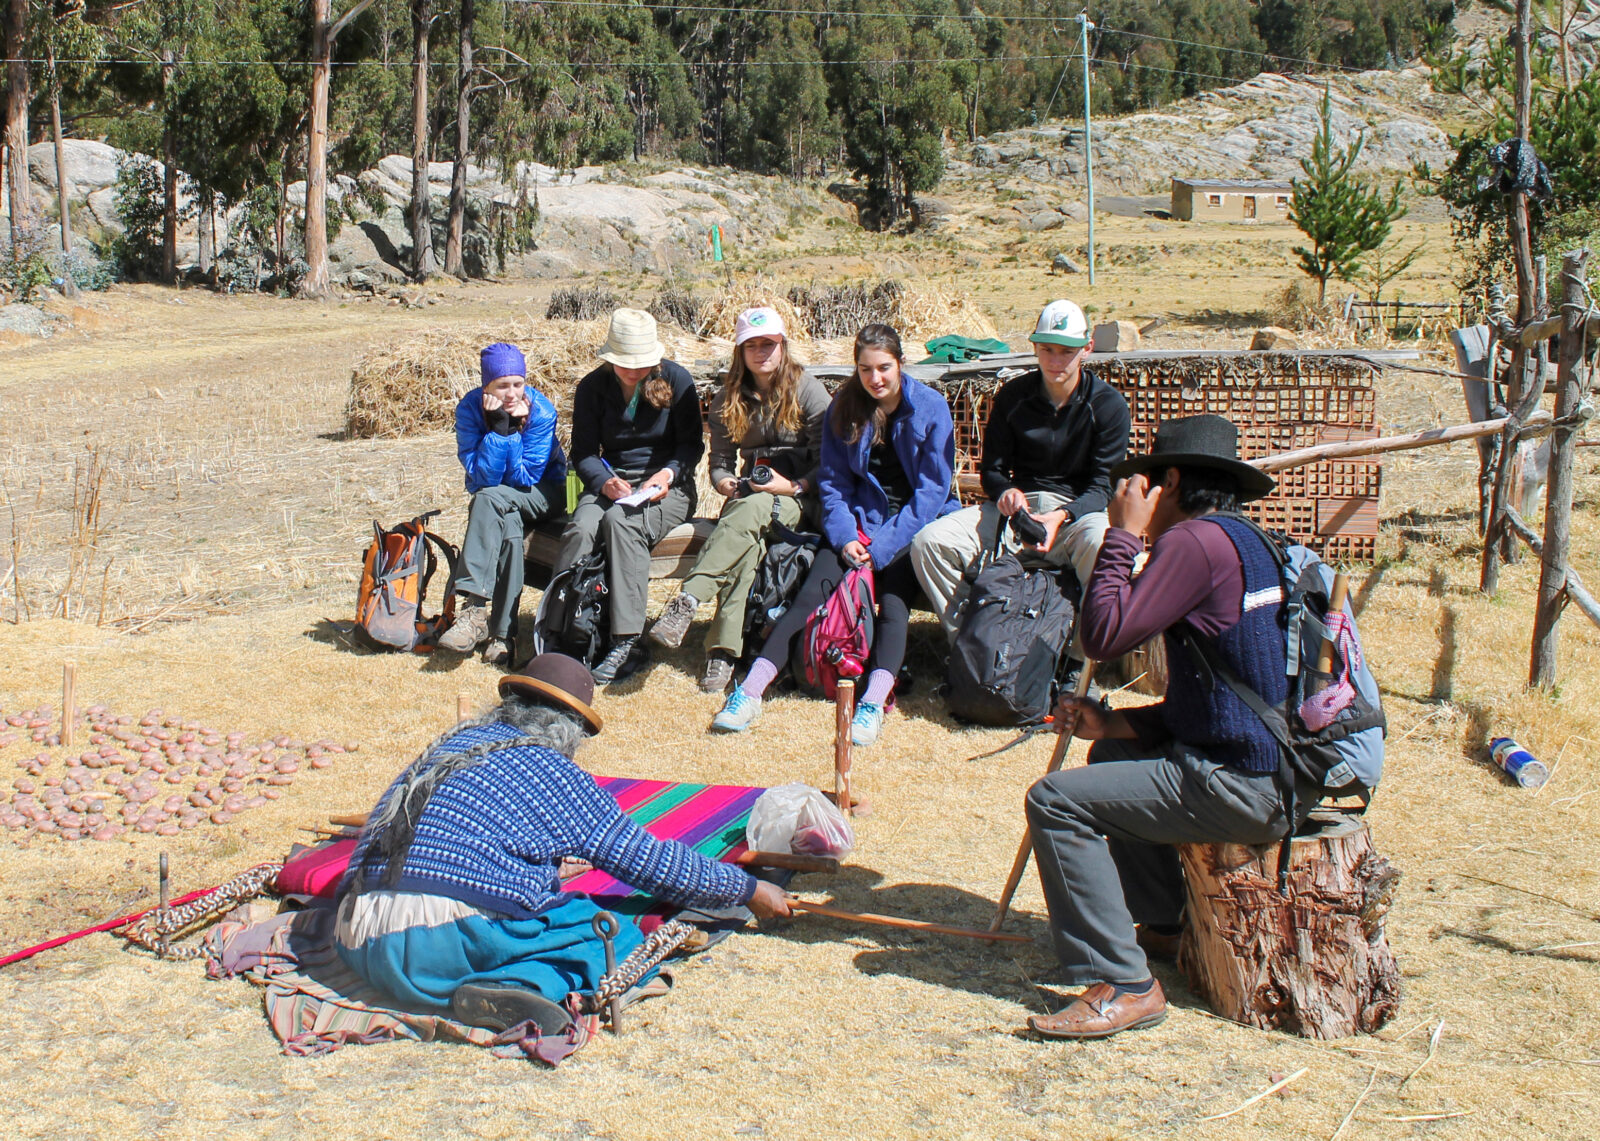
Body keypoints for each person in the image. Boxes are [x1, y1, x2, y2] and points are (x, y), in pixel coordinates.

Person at [1021, 414, 1333, 1040]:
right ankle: (1163, 926)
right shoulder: (1245, 541)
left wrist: (1122, 537)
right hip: (1269, 772)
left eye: (1139, 482)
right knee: (1109, 767)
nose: (1128, 492)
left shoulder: (1192, 545)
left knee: (1053, 804)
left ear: (1167, 482)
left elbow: (1101, 635)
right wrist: (1115, 726)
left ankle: (1126, 985)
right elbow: (1226, 695)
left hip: (1241, 784)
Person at [335, 652, 792, 1036]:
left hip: (357, 938)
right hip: (442, 944)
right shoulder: (553, 773)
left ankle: (492, 982)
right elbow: (652, 862)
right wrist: (748, 889)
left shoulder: (451, 744)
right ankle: (524, 985)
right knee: (602, 929)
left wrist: (538, 872)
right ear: (571, 728)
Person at [711, 324, 959, 747]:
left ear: (900, 364)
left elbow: (932, 491)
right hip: (856, 520)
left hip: (906, 526)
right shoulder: (845, 408)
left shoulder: (930, 407)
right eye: (865, 369)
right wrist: (845, 536)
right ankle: (750, 691)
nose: (875, 378)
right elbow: (832, 483)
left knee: (894, 603)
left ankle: (872, 702)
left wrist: (880, 549)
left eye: (884, 368)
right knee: (811, 595)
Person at [910, 299, 1128, 643]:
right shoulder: (1013, 396)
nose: (1056, 360)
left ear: (1086, 349)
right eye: (1048, 350)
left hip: (1076, 516)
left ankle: (1079, 659)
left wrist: (1063, 516)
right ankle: (974, 645)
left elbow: (1104, 486)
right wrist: (1006, 493)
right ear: (1035, 348)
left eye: (1066, 351)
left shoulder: (1108, 405)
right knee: (929, 542)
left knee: (1103, 546)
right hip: (1016, 513)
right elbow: (992, 471)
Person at [647, 307, 831, 693]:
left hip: (799, 497)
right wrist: (726, 482)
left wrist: (793, 485)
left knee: (749, 512)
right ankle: (722, 654)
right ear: (740, 351)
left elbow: (829, 464)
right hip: (749, 493)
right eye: (752, 345)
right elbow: (720, 462)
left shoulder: (808, 390)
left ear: (782, 345)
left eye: (769, 344)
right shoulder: (727, 398)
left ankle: (689, 599)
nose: (761, 352)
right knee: (745, 546)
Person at [556, 308, 705, 684]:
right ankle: (562, 627)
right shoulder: (591, 388)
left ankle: (627, 639)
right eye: (626, 365)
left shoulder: (677, 379)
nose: (634, 372)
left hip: (668, 486)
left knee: (621, 522)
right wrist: (604, 482)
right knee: (582, 527)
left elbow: (691, 446)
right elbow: (585, 452)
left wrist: (667, 474)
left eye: (641, 365)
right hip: (612, 481)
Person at [437, 343, 568, 664]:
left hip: (547, 491)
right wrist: (500, 427)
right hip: (502, 500)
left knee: (489, 499)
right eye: (502, 385)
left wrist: (504, 432)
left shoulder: (541, 411)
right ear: (486, 386)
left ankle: (473, 610)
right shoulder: (469, 409)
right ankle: (502, 635)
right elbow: (481, 476)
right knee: (507, 525)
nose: (511, 393)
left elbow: (525, 476)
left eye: (518, 384)